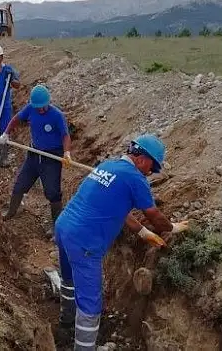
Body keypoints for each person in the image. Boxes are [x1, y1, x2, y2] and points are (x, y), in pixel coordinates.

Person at [52, 134, 190, 350]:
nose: (150, 174)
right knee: (90, 305)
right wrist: (172, 227)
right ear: (144, 159)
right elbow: (153, 214)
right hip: (85, 242)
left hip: (64, 228)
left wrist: (142, 231)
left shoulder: (109, 165)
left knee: (69, 279)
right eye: (152, 169)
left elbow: (118, 209)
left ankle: (65, 323)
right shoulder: (135, 178)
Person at [0, 84, 72, 237]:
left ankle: (56, 227)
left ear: (48, 103)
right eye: (38, 107)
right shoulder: (30, 108)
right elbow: (16, 119)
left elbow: (65, 136)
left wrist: (67, 153)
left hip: (51, 158)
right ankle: (11, 212)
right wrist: (6, 134)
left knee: (52, 192)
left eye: (43, 107)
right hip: (33, 155)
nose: (40, 110)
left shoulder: (57, 115)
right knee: (20, 185)